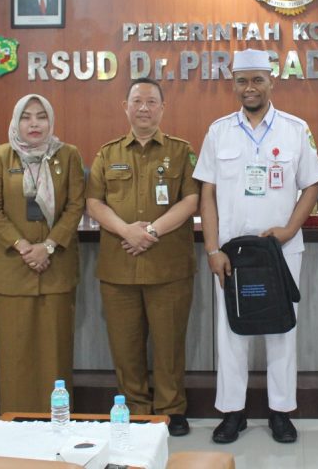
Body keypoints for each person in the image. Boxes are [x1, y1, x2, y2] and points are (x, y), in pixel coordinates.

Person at [193, 48, 318, 445]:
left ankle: (281, 412)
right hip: (232, 254)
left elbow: (312, 184)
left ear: (271, 81)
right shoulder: (219, 131)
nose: (249, 88)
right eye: (242, 81)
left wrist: (287, 230)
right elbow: (208, 194)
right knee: (232, 333)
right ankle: (233, 413)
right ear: (234, 84)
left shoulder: (295, 129)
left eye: (257, 80)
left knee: (282, 331)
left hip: (281, 251)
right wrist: (213, 249)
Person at [86, 77, 199, 437]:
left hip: (168, 266)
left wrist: (150, 232)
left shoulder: (182, 151)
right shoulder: (108, 153)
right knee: (125, 345)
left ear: (163, 108)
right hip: (119, 267)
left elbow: (191, 200)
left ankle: (171, 409)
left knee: (169, 345)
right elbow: (94, 202)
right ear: (126, 107)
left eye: (151, 102)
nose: (144, 108)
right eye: (137, 101)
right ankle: (135, 408)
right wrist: (127, 231)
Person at [0, 94, 85, 414]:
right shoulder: (1, 156)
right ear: (16, 121)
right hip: (14, 267)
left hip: (56, 267)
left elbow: (75, 206)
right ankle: (16, 417)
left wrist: (48, 246)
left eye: (41, 116)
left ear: (50, 120)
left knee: (55, 351)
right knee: (16, 351)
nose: (34, 123)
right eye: (27, 117)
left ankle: (56, 418)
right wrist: (24, 247)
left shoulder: (67, 155)